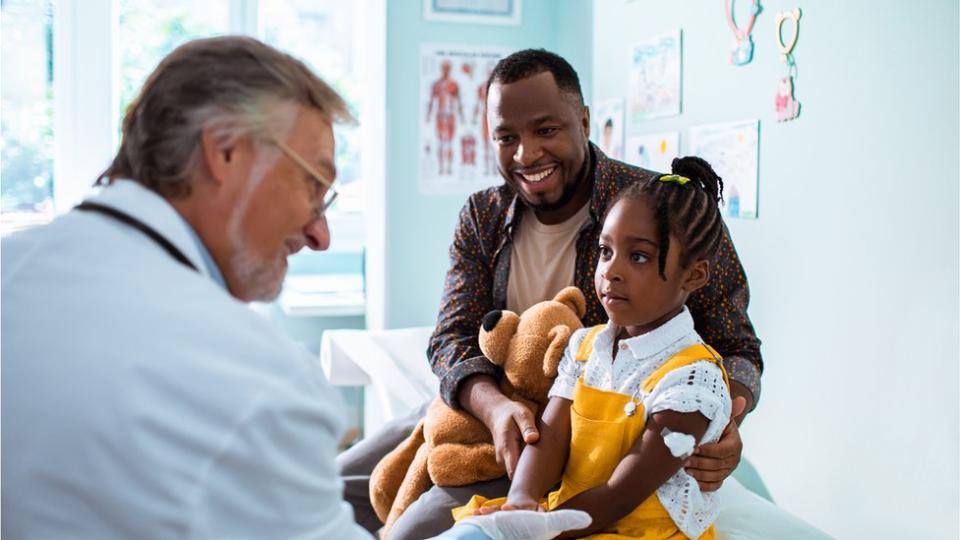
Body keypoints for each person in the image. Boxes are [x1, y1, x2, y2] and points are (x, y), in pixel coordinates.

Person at [0, 37, 588, 540]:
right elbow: (451, 335)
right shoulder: (259, 381)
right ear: (224, 152)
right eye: (314, 186)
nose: (321, 233)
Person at [339, 48, 762, 540]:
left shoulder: (660, 210)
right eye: (506, 137)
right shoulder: (483, 216)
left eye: (546, 130)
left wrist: (724, 424)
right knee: (327, 489)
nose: (526, 154)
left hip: (559, 436)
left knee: (418, 528)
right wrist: (493, 406)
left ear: (583, 120)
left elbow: (736, 346)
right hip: (488, 407)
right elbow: (450, 336)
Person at [454, 157, 733, 539]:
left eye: (638, 256)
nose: (611, 271)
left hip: (632, 529)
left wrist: (539, 529)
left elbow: (621, 494)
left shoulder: (692, 379)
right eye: (605, 251)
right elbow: (550, 436)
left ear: (694, 274)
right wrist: (521, 498)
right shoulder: (585, 346)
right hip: (572, 519)